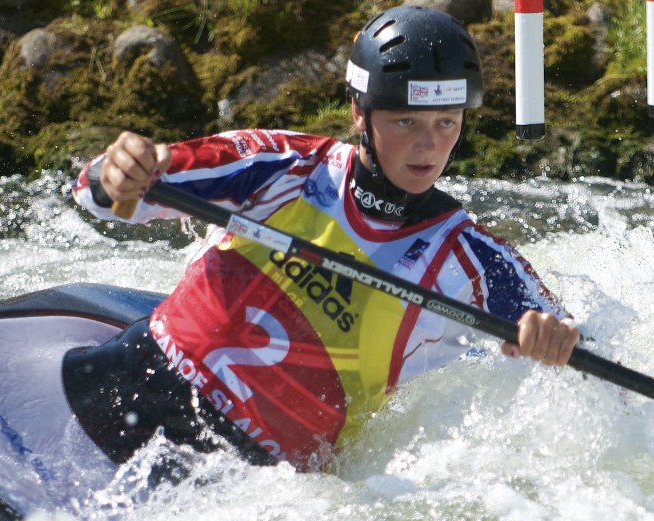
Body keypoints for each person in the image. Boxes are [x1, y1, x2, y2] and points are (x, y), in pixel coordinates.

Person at [66, 5, 580, 472]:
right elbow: (96, 191)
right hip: (127, 383)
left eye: (447, 122)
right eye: (406, 120)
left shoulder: (474, 262)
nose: (429, 146)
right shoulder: (281, 164)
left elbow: (585, 355)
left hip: (253, 481)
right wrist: (119, 172)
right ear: (359, 112)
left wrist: (556, 338)